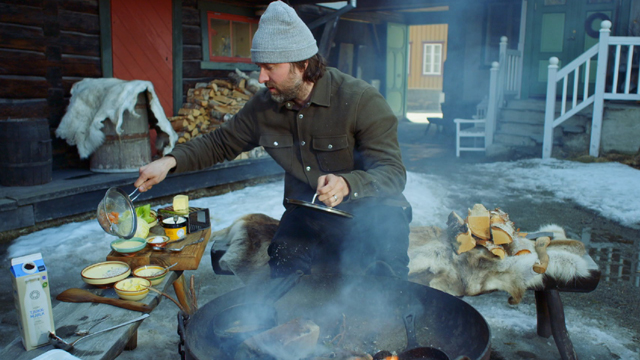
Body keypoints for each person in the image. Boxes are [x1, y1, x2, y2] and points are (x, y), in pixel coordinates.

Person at [134, 0, 411, 279]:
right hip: (310, 212)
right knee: (283, 264)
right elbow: (220, 142)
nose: (261, 77)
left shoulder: (361, 100)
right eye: (259, 66)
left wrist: (348, 183)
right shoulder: (264, 106)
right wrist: (169, 162)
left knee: (385, 281)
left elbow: (393, 173)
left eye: (270, 67)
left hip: (373, 211)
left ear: (302, 64)